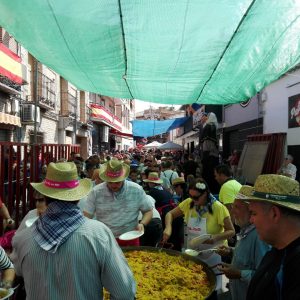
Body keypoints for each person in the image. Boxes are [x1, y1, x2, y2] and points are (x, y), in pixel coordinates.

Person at [12, 162, 136, 300]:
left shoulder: (23, 237)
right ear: (78, 198)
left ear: (45, 197)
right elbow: (125, 292)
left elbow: (18, 271)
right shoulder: (99, 234)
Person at [162, 178, 235, 294]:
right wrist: (168, 227)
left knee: (210, 289)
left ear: (205, 193)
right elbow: (170, 214)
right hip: (192, 252)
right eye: (190, 196)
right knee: (191, 287)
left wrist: (214, 238)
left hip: (212, 254)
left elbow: (231, 231)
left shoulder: (218, 208)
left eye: (196, 197)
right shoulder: (188, 203)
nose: (193, 200)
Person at [241, 174, 300, 300]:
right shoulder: (279, 249)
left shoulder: (295, 266)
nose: (251, 220)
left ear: (274, 213)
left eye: (253, 213)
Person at [216, 186, 270, 300]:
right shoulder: (245, 229)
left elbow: (265, 277)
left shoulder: (259, 236)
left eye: (237, 207)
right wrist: (231, 251)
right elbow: (248, 257)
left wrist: (239, 274)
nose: (232, 211)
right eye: (232, 206)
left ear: (251, 212)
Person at [84, 160, 153, 247]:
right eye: (110, 182)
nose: (113, 185)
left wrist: (142, 224)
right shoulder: (96, 191)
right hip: (105, 239)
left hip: (130, 237)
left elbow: (148, 211)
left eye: (117, 182)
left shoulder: (136, 190)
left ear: (123, 178)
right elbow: (86, 216)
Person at [200, 112, 220, 194]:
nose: (206, 118)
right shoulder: (214, 126)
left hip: (208, 155)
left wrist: (205, 154)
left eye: (207, 117)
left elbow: (206, 144)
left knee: (208, 173)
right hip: (213, 155)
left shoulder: (208, 126)